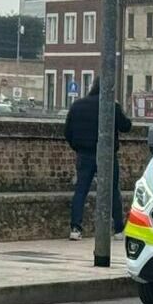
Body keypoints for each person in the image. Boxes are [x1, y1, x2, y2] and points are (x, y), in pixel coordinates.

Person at [63, 79, 132, 241]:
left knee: (81, 190)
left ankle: (75, 228)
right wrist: (118, 108)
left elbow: (67, 131)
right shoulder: (110, 106)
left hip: (84, 154)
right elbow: (126, 126)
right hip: (107, 155)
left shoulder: (77, 106)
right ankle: (118, 229)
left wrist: (77, 147)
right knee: (113, 190)